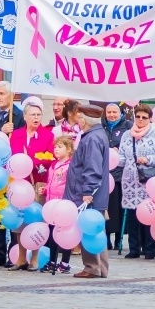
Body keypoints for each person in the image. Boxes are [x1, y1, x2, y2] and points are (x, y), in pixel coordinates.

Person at [117, 104, 155, 260]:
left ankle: (149, 249)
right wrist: (112, 158)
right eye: (138, 116)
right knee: (132, 215)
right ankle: (134, 248)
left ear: (150, 119)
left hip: (149, 181)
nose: (140, 120)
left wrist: (148, 159)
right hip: (130, 181)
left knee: (149, 214)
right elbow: (121, 157)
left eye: (144, 117)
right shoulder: (127, 135)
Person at [7, 98, 54, 271]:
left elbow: (50, 157)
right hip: (19, 184)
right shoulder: (17, 134)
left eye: (39, 114)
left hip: (37, 182)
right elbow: (11, 157)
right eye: (33, 114)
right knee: (19, 222)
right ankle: (20, 258)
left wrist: (31, 162)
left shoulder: (47, 135)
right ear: (25, 116)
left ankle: (34, 258)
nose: (36, 117)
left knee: (35, 220)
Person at [66, 104, 111, 278]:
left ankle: (92, 267)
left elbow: (92, 168)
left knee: (89, 228)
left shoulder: (92, 138)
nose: (78, 122)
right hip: (95, 193)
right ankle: (100, 268)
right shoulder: (98, 135)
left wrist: (88, 191)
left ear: (84, 120)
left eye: (79, 119)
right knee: (97, 229)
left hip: (89, 194)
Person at [40, 136, 74, 274]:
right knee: (53, 232)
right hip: (52, 204)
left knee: (65, 232)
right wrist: (46, 189)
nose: (56, 150)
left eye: (60, 147)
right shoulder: (53, 165)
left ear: (69, 149)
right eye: (55, 147)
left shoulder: (70, 165)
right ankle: (52, 260)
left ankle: (65, 261)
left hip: (63, 203)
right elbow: (51, 181)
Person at [102, 103, 132, 250]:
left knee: (119, 209)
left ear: (120, 113)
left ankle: (119, 239)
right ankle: (106, 238)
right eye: (109, 112)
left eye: (114, 112)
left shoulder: (127, 126)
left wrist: (119, 150)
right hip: (104, 175)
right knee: (105, 208)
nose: (111, 115)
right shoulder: (101, 127)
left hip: (121, 174)